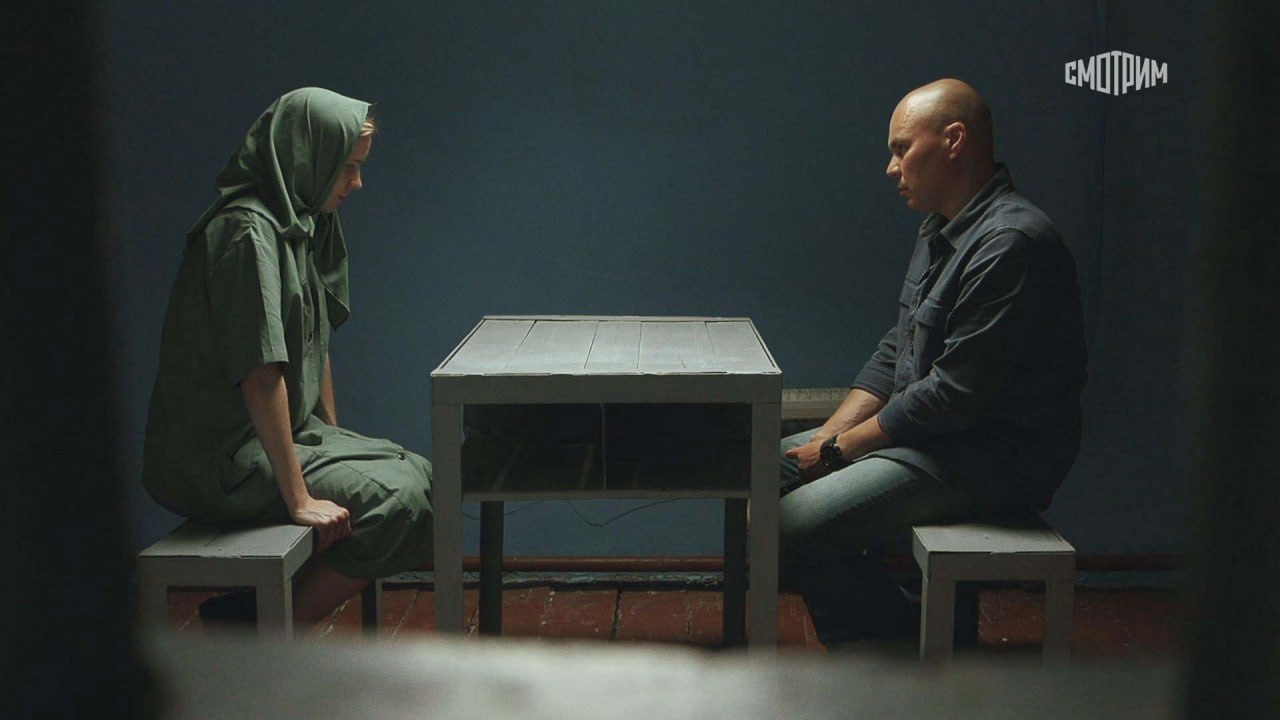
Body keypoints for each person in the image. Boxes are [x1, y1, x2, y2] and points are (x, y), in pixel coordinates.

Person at [779, 79, 1087, 641]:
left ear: (954, 140)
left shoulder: (1012, 242)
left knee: (794, 523)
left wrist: (836, 451)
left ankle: (893, 654)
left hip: (991, 459)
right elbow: (896, 348)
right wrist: (826, 437)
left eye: (901, 149)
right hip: (932, 443)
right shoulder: (941, 227)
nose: (891, 168)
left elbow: (951, 396)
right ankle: (903, 633)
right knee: (765, 471)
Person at [142, 87, 434, 627]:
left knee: (424, 476)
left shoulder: (300, 222)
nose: (356, 184)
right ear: (307, 156)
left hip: (278, 436)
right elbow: (260, 374)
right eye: (347, 167)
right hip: (219, 458)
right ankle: (263, 630)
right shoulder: (246, 233)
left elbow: (313, 343)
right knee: (397, 500)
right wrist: (299, 499)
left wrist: (333, 440)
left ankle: (248, 617)